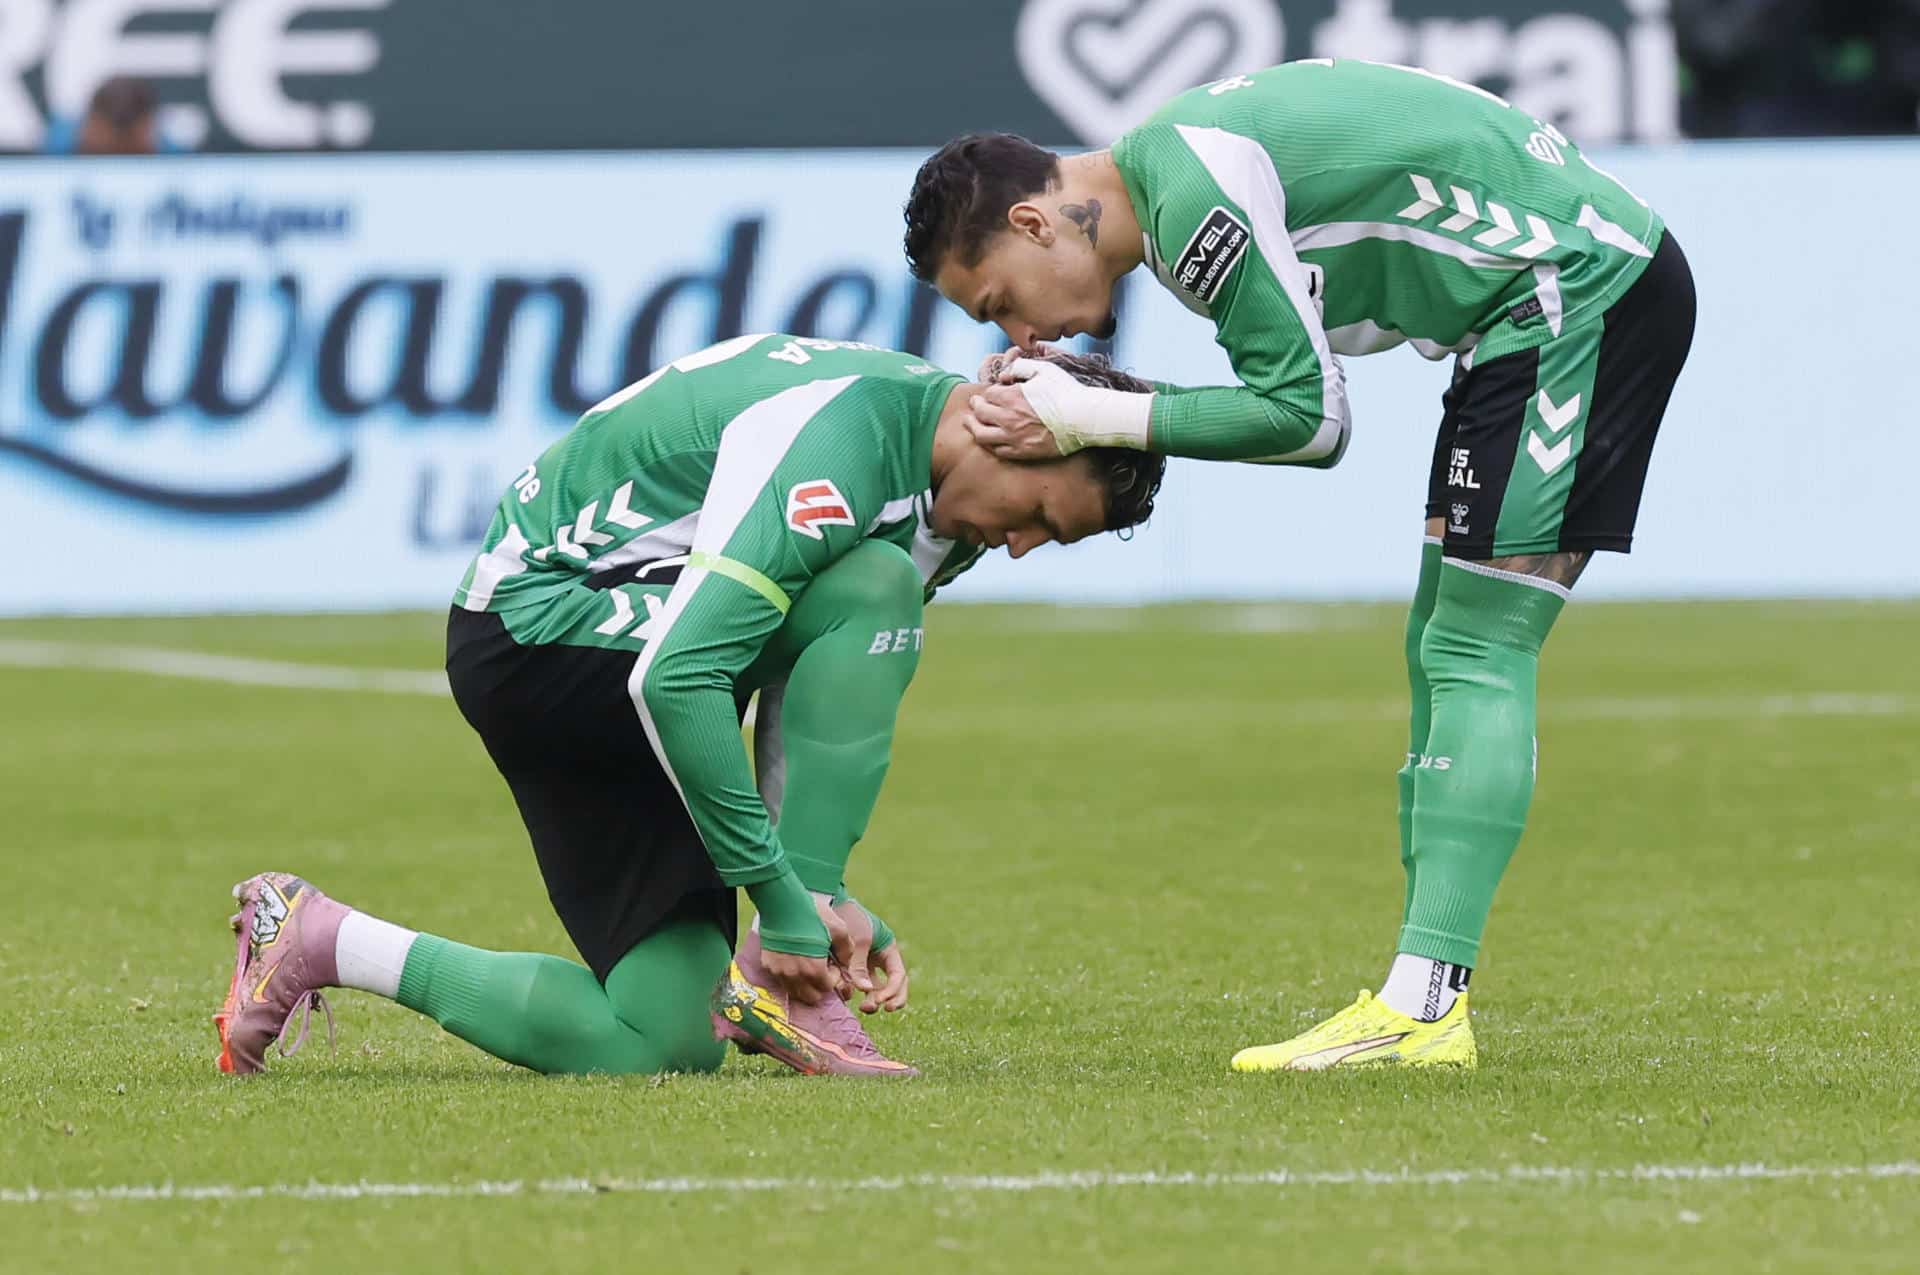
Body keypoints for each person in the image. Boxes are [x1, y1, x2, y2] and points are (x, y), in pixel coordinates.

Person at [903, 59, 1696, 1071]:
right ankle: (1422, 1003)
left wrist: (1089, 411)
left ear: (1032, 225)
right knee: (1442, 648)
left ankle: (1424, 1009)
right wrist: (1083, 401)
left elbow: (1313, 421)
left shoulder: (1189, 202)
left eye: (998, 304)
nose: (1020, 333)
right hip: (1537, 305)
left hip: (1573, 292)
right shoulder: (1175, 175)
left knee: (1476, 646)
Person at [213, 336, 1164, 1080]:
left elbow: (810, 675)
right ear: (1010, 430)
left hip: (633, 654)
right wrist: (787, 897)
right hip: (542, 627)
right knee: (875, 585)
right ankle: (780, 971)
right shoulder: (848, 443)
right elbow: (677, 679)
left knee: (657, 1036)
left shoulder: (950, 504)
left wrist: (810, 897)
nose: (1025, 546)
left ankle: (316, 936)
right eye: (1041, 514)